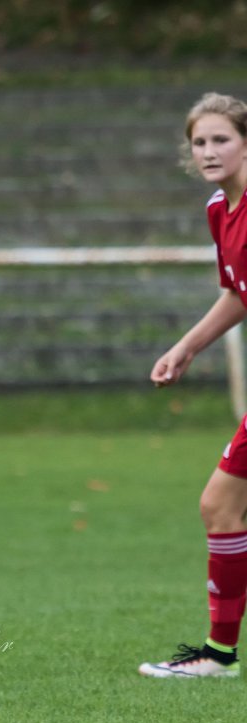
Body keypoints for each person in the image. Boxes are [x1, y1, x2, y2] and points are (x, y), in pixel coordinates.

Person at [141, 92, 247, 678]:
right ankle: (218, 654)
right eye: (199, 142)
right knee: (222, 504)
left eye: (221, 140)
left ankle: (217, 655)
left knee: (220, 502)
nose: (208, 152)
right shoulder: (219, 209)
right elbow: (236, 292)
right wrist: (185, 348)